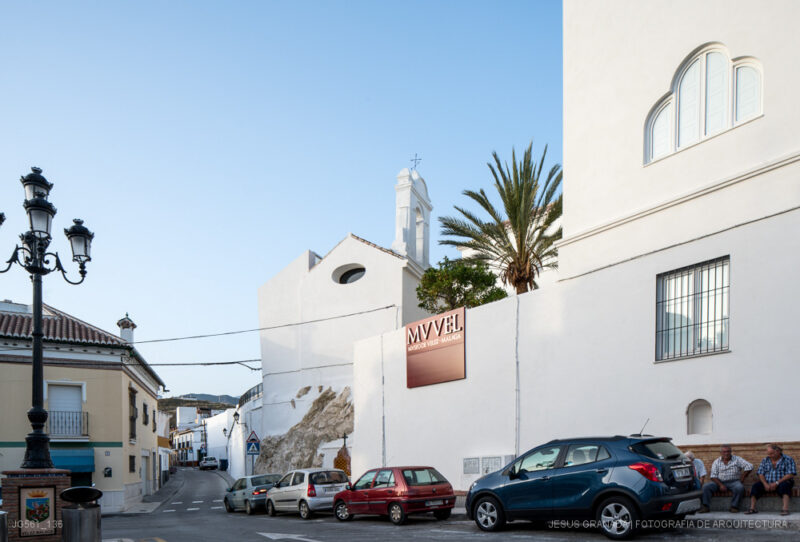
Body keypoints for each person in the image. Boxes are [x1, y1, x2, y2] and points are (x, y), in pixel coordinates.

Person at [745, 443, 796, 516]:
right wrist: (765, 484)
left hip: (782, 481)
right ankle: (752, 508)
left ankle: (785, 509)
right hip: (767, 482)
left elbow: (791, 474)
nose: (769, 456)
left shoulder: (788, 459)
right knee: (756, 486)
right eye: (768, 454)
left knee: (785, 486)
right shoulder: (765, 460)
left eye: (771, 454)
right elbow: (760, 473)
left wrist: (776, 483)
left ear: (778, 451)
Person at [700, 445, 752, 513]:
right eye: (724, 452)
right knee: (706, 486)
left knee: (740, 488)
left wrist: (743, 477)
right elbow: (713, 476)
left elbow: (750, 466)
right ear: (721, 453)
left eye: (728, 451)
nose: (726, 453)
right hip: (719, 482)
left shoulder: (737, 459)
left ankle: (734, 506)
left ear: (731, 452)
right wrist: (720, 485)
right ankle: (705, 506)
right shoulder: (716, 462)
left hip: (734, 482)